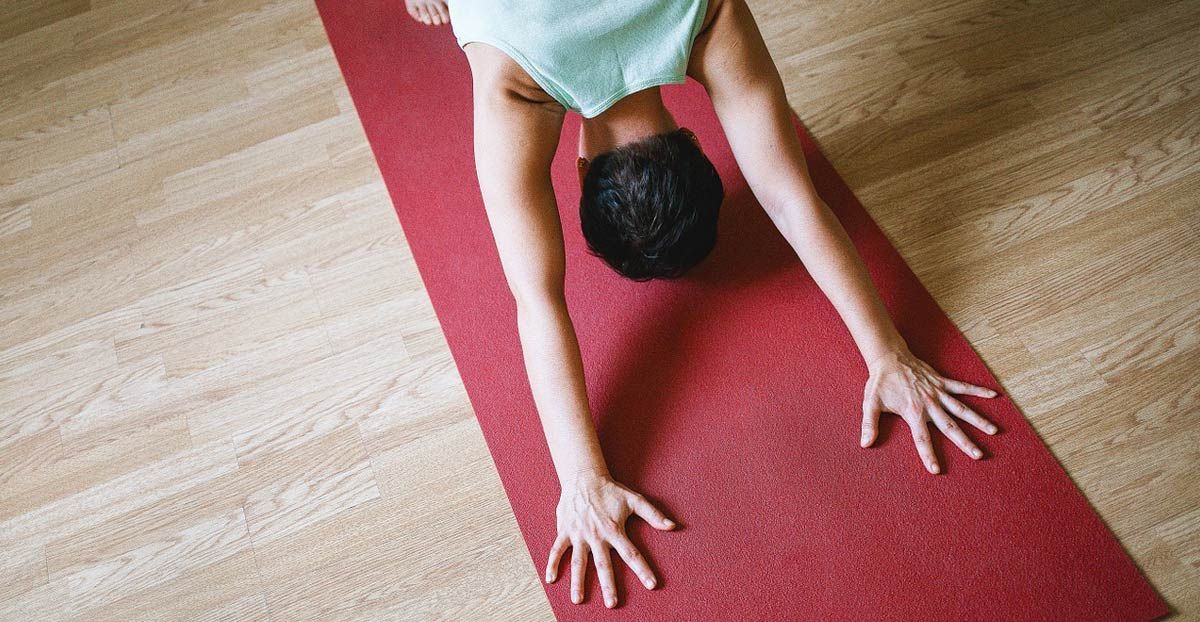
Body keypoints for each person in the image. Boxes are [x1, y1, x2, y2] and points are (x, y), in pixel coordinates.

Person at [406, 0, 1003, 609]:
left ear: (692, 140)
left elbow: (792, 198)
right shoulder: (516, 81)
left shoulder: (705, 15)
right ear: (582, 174)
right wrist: (580, 478)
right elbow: (533, 301)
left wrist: (890, 355)